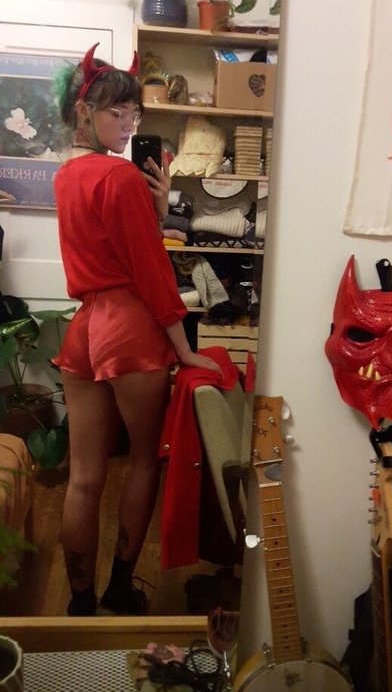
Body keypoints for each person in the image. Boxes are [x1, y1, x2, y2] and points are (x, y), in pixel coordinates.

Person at [52, 43, 220, 617]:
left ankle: (79, 604)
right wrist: (185, 350)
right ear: (84, 112)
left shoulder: (68, 175)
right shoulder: (120, 177)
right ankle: (120, 588)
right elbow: (149, 270)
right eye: (115, 112)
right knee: (145, 459)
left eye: (133, 113)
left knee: (83, 477)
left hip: (85, 327)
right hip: (129, 328)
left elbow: (110, 247)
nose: (127, 124)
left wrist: (157, 209)